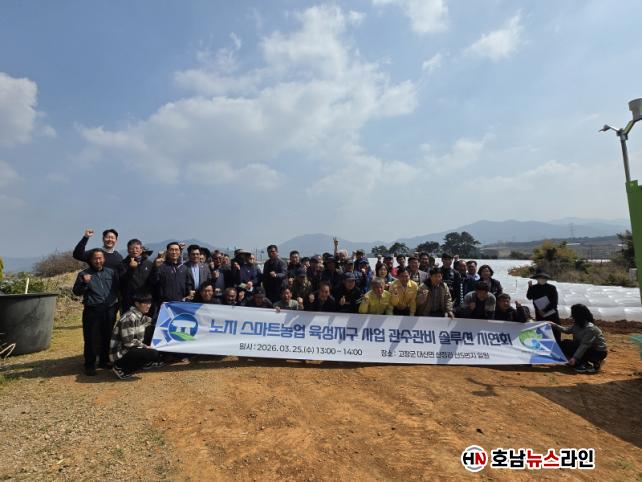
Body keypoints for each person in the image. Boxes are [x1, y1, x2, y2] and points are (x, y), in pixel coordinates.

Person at [72, 249, 120, 375]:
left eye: (100, 258)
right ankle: (89, 364)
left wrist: (116, 303)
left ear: (104, 259)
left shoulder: (111, 272)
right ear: (91, 260)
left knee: (107, 336)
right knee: (91, 338)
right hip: (92, 310)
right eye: (95, 258)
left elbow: (117, 288)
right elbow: (76, 292)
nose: (98, 261)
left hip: (109, 309)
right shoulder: (84, 274)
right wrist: (85, 283)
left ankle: (104, 361)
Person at [110, 294, 164, 379]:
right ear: (137, 304)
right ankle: (120, 368)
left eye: (149, 302)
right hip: (120, 354)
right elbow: (128, 342)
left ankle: (145, 363)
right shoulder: (129, 318)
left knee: (153, 329)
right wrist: (145, 347)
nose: (148, 305)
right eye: (145, 303)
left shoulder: (139, 315)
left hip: (130, 348)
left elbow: (152, 322)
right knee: (153, 353)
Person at [551, 304, 608, 373]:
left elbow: (584, 345)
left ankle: (585, 365)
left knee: (576, 348)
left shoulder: (590, 329)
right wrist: (554, 325)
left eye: (573, 315)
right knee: (564, 343)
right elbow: (567, 330)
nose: (572, 317)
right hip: (587, 349)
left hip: (598, 352)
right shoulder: (577, 325)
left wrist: (574, 358)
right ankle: (580, 362)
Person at [119, 238, 154, 313]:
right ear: (128, 250)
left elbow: (153, 281)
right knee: (129, 320)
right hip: (129, 301)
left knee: (146, 320)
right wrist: (131, 269)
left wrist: (157, 268)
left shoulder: (148, 263)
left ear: (141, 250)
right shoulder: (122, 264)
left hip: (145, 301)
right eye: (132, 248)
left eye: (137, 248)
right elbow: (122, 281)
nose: (134, 250)